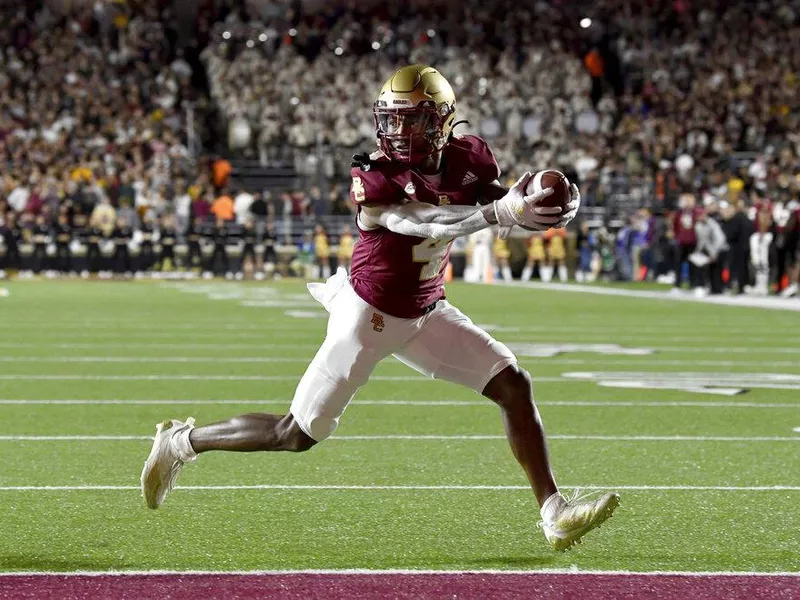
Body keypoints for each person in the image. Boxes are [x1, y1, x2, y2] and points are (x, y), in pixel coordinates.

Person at [141, 65, 616, 552]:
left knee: (513, 384)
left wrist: (531, 206)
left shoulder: (469, 158)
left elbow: (494, 206)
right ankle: (181, 442)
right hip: (367, 317)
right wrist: (500, 212)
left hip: (427, 310)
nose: (397, 132)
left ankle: (553, 513)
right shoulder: (375, 174)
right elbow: (423, 223)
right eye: (390, 120)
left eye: (409, 120)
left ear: (440, 121)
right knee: (296, 434)